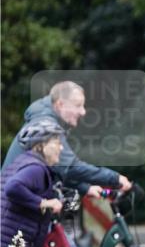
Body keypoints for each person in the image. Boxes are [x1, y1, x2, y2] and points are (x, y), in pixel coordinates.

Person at [2, 81, 132, 199]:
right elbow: (69, 167)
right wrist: (115, 178)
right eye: (78, 105)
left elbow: (58, 168)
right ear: (60, 104)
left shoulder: (46, 121)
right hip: (14, 210)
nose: (83, 112)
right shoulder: (46, 126)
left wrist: (85, 188)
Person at [1, 120, 65, 247]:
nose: (61, 148)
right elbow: (13, 187)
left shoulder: (22, 161)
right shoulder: (36, 168)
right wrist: (44, 203)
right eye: (56, 142)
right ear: (41, 145)